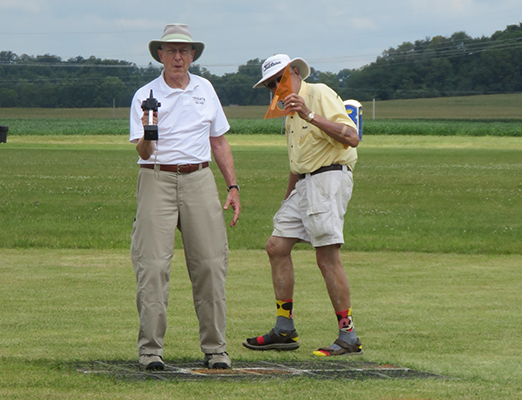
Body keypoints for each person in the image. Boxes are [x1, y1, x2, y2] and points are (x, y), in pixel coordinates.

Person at [129, 23, 240, 371]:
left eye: (184, 51)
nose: (178, 57)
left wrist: (232, 186)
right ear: (160, 55)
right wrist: (150, 129)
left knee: (209, 265)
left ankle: (216, 349)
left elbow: (219, 141)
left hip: (200, 178)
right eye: (171, 51)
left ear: (192, 56)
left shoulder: (206, 90)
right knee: (153, 266)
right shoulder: (145, 95)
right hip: (156, 177)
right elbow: (144, 152)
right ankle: (150, 351)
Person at [243, 54, 362, 357]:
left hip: (328, 178)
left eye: (279, 80)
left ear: (295, 73)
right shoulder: (288, 112)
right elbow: (297, 164)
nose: (275, 89)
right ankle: (285, 328)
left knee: (326, 257)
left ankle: (348, 335)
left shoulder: (318, 94)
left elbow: (352, 137)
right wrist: (287, 198)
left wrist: (310, 115)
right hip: (305, 183)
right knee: (276, 246)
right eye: (270, 85)